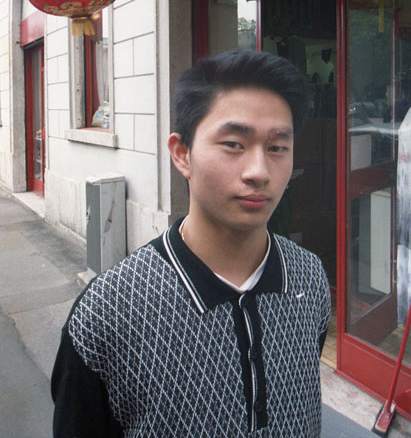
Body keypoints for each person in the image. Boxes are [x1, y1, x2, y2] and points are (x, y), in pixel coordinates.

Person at [51, 49, 331, 437]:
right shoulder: (107, 312)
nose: (259, 172)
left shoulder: (309, 278)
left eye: (277, 148)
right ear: (182, 154)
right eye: (233, 144)